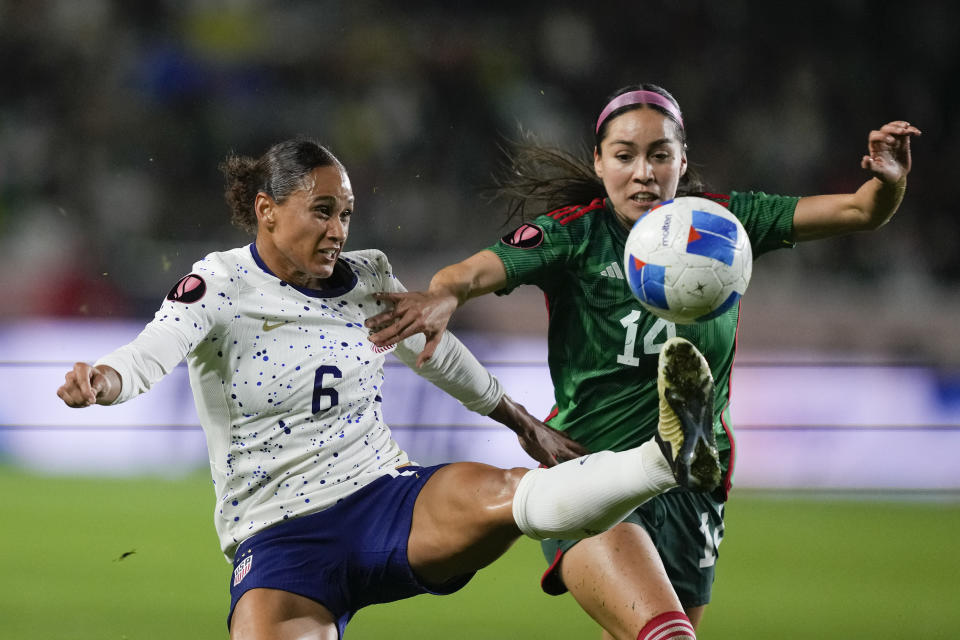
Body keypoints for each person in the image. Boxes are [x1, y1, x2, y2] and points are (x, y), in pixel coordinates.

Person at [56, 138, 724, 640]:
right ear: (266, 209)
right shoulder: (220, 284)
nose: (338, 229)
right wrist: (104, 381)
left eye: (345, 213)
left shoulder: (367, 276)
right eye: (322, 211)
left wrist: (521, 420)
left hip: (385, 498)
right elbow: (150, 354)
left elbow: (436, 353)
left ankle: (664, 459)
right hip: (280, 539)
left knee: (509, 493)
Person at [365, 84, 921, 640]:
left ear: (683, 159)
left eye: (659, 154)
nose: (643, 172)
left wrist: (888, 181)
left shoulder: (726, 224)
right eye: (625, 155)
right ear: (599, 161)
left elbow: (860, 209)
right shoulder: (575, 234)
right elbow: (469, 273)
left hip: (693, 482)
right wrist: (442, 296)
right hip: (590, 474)